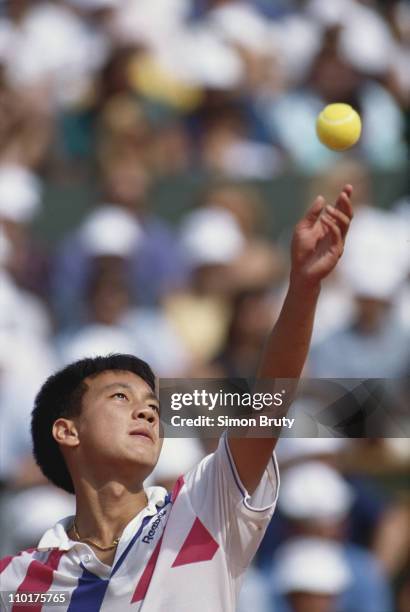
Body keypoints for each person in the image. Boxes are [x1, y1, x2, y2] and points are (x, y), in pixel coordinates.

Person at [0, 185, 354, 610]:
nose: (148, 411)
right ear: (67, 431)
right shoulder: (16, 582)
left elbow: (269, 406)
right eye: (120, 397)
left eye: (152, 403)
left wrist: (303, 289)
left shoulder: (206, 506)